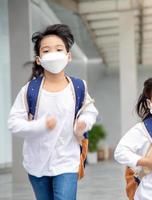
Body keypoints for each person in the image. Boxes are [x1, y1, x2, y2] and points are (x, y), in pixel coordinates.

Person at [8, 24, 98, 200]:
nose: (53, 54)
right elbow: (14, 123)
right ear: (39, 59)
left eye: (59, 49)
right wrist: (41, 125)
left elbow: (90, 111)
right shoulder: (29, 90)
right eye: (46, 50)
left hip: (67, 161)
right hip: (37, 163)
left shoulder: (78, 86)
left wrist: (83, 123)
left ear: (68, 56)